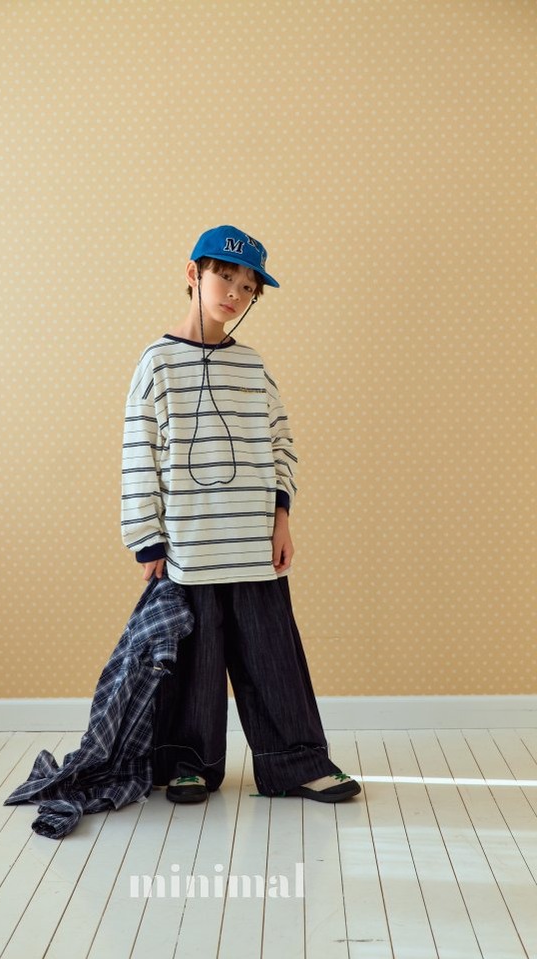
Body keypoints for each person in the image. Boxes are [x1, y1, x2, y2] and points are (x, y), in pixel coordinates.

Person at [121, 225, 361, 805]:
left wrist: (282, 518)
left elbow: (280, 444)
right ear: (193, 274)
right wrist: (147, 539)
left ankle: (295, 764)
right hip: (189, 547)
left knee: (274, 659)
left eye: (248, 286)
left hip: (253, 545)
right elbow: (139, 454)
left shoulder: (253, 367)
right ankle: (188, 764)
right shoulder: (157, 364)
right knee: (192, 665)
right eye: (224, 276)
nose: (234, 292)